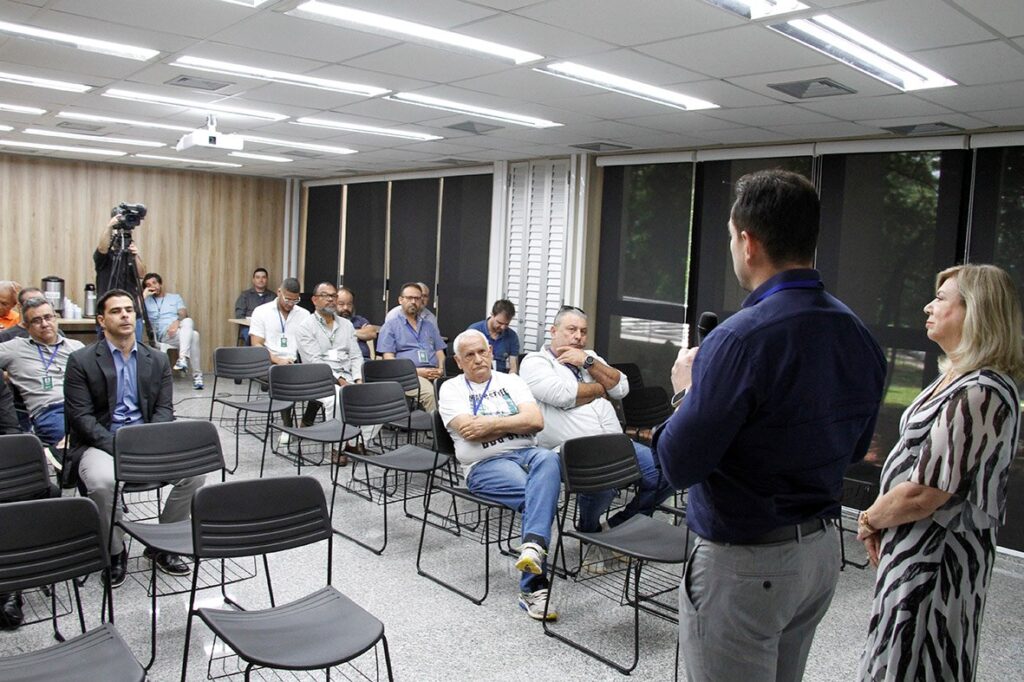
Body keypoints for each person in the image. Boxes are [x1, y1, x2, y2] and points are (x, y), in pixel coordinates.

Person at [654, 170, 886, 682]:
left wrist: (685, 389)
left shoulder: (739, 340)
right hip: (821, 557)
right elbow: (852, 450)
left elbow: (677, 464)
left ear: (748, 240)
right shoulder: (856, 333)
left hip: (747, 564)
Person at [857, 264, 1023, 682]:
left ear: (976, 311)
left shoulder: (981, 391)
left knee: (914, 662)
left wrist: (868, 518)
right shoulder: (959, 377)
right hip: (917, 546)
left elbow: (927, 492)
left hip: (935, 560)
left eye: (942, 298)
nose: (929, 307)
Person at [64, 288, 204, 587]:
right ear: (101, 320)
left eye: (129, 309)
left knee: (193, 473)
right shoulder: (81, 361)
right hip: (101, 442)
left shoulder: (156, 359)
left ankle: (162, 546)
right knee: (103, 483)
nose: (125, 315)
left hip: (147, 442)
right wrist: (119, 447)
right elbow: (82, 419)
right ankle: (115, 552)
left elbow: (164, 410)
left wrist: (148, 444)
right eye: (116, 311)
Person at [520, 305, 673, 572]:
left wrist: (588, 363)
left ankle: (617, 527)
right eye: (571, 330)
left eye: (583, 331)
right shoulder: (535, 362)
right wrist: (602, 388)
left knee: (668, 472)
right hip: (570, 452)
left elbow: (622, 388)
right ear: (553, 331)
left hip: (615, 443)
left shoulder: (588, 357)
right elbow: (561, 395)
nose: (578, 336)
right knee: (604, 480)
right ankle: (589, 531)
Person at [438, 329, 562, 621]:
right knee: (539, 496)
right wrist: (512, 423)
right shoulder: (451, 389)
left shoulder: (511, 381)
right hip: (486, 464)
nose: (478, 359)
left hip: (528, 453)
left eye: (482, 352)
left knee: (548, 457)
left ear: (491, 352)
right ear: (458, 361)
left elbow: (535, 421)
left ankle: (532, 546)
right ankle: (533, 588)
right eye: (470, 355)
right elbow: (470, 430)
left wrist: (490, 424)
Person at [295, 282, 373, 463]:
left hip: (348, 376)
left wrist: (359, 379)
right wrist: (340, 381)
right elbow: (314, 362)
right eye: (325, 295)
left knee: (376, 397)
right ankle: (337, 447)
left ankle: (356, 441)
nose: (330, 299)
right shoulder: (305, 327)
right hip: (319, 379)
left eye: (333, 296)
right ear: (314, 300)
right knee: (338, 398)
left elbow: (356, 356)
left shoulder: (346, 325)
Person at [0, 297, 84, 446]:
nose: (44, 324)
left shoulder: (77, 347)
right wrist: (4, 376)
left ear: (55, 318)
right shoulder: (15, 349)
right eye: (37, 321)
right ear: (26, 326)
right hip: (50, 411)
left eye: (48, 317)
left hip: (82, 407)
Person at [376, 282, 446, 412]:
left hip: (435, 373)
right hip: (407, 376)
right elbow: (388, 360)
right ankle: (436, 431)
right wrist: (417, 371)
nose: (413, 301)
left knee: (453, 391)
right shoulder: (391, 326)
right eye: (409, 298)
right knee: (430, 394)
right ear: (400, 300)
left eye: (417, 298)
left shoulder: (429, 326)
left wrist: (441, 369)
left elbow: (440, 352)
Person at [142, 273, 204, 390]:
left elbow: (183, 313)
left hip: (179, 331)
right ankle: (196, 375)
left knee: (189, 323)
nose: (153, 286)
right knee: (194, 335)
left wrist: (176, 321)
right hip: (163, 334)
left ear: (160, 283)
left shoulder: (174, 297)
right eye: (148, 285)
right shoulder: (145, 301)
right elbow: (136, 311)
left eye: (154, 283)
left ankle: (182, 359)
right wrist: (143, 296)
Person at [469, 299, 520, 373]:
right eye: (499, 323)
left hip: (501, 378)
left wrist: (510, 379)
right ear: (492, 314)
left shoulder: (512, 336)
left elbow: (513, 367)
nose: (503, 327)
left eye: (506, 324)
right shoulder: (474, 331)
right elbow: (467, 361)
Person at [233, 267, 274, 345]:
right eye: (258, 277)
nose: (261, 280)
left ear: (267, 280)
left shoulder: (273, 297)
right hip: (249, 327)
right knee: (251, 337)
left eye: (263, 277)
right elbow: (239, 314)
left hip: (268, 328)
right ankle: (250, 356)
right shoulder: (245, 295)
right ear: (253, 280)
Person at [337, 286, 379, 360]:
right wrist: (359, 334)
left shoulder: (358, 320)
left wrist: (350, 333)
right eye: (341, 304)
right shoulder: (329, 322)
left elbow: (372, 333)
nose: (346, 308)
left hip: (364, 360)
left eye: (349, 304)